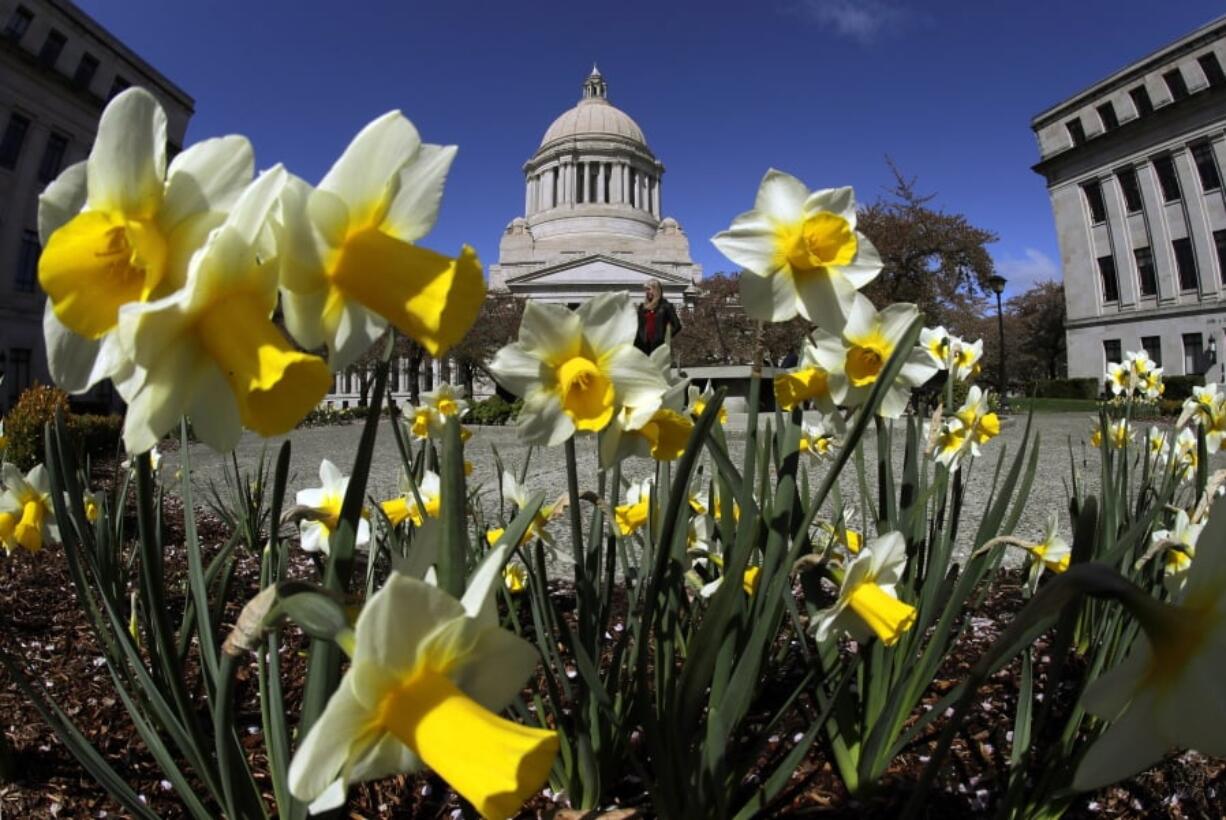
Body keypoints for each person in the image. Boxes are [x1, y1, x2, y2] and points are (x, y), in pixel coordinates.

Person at [635, 279, 682, 354]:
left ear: (656, 290)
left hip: (658, 347)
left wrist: (664, 337)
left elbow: (677, 326)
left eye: (649, 289)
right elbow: (636, 325)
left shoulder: (666, 306)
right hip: (641, 346)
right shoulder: (642, 307)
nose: (647, 292)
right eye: (646, 290)